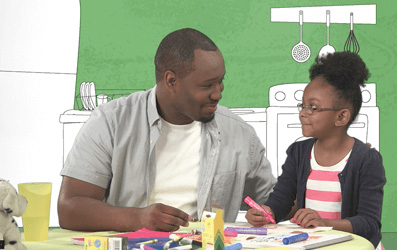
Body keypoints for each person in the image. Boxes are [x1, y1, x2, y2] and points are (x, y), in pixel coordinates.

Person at [58, 28, 276, 232]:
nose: (218, 93)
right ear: (171, 80)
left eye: (221, 82)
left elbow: (274, 202)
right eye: (207, 85)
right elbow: (70, 208)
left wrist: (287, 204)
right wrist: (138, 219)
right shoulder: (110, 122)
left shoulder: (240, 134)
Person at [245, 52, 386, 248]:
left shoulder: (367, 160)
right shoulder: (298, 153)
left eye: (313, 107)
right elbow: (282, 199)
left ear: (341, 117)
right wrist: (266, 212)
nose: (303, 113)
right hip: (315, 245)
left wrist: (325, 224)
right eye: (302, 105)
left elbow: (369, 223)